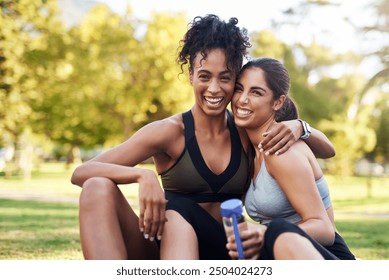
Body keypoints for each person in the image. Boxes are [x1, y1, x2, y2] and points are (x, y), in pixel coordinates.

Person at [70, 15, 334, 260]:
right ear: (191, 76)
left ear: (234, 81)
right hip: (166, 246)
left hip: (227, 250)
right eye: (205, 76)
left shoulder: (245, 131)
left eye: (226, 78)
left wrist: (300, 127)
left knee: (179, 211)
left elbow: (325, 151)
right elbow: (82, 172)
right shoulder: (169, 131)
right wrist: (142, 176)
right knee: (97, 187)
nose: (215, 88)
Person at [227, 57, 355, 260]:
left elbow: (324, 230)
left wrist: (265, 233)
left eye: (256, 92)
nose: (242, 99)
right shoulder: (248, 147)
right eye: (239, 89)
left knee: (278, 227)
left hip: (321, 255)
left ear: (278, 102)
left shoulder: (282, 152)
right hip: (282, 253)